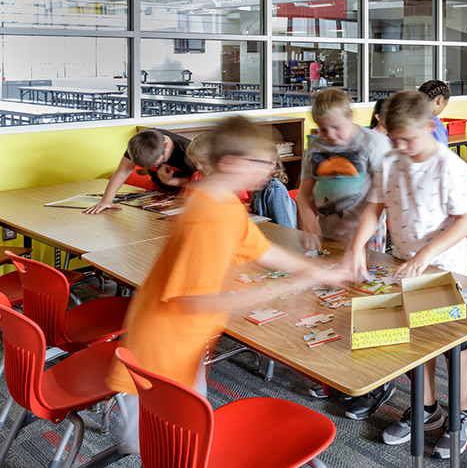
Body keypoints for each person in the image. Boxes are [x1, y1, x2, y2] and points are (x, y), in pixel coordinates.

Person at [106, 116, 346, 457]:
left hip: (184, 346)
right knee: (171, 451)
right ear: (232, 162)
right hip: (160, 356)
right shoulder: (207, 216)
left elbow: (264, 250)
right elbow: (196, 301)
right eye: (262, 161)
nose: (271, 168)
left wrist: (318, 271)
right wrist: (280, 289)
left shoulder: (223, 201)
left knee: (188, 445)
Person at [344, 90, 467, 459]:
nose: (401, 146)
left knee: (453, 345)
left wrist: (426, 254)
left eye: (408, 139)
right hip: (405, 264)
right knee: (417, 341)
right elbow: (374, 207)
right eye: (394, 138)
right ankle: (427, 409)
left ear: (429, 127)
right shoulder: (390, 161)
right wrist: (356, 246)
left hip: (446, 268)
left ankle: (463, 414)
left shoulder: (449, 166)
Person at [297, 89, 392, 416]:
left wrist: (357, 246)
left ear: (351, 118)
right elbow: (304, 193)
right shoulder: (316, 145)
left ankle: (375, 383)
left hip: (366, 240)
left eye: (335, 128)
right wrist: (307, 218)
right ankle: (336, 375)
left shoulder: (373, 144)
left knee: (366, 311)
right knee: (330, 307)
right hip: (329, 237)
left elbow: (381, 200)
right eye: (322, 129)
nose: (329, 135)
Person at [84, 128, 196, 213]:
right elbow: (123, 170)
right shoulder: (141, 143)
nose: (155, 167)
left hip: (185, 193)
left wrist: (169, 181)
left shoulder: (189, 153)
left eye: (157, 164)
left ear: (167, 146)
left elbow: (198, 183)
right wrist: (107, 200)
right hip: (155, 191)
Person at [251, 156, 296, 229]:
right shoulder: (258, 185)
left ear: (272, 164)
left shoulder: (274, 190)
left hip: (276, 234)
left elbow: (283, 228)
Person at [419, 80, 452, 145]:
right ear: (440, 100)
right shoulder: (435, 125)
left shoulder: (408, 117)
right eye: (445, 105)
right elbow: (442, 149)